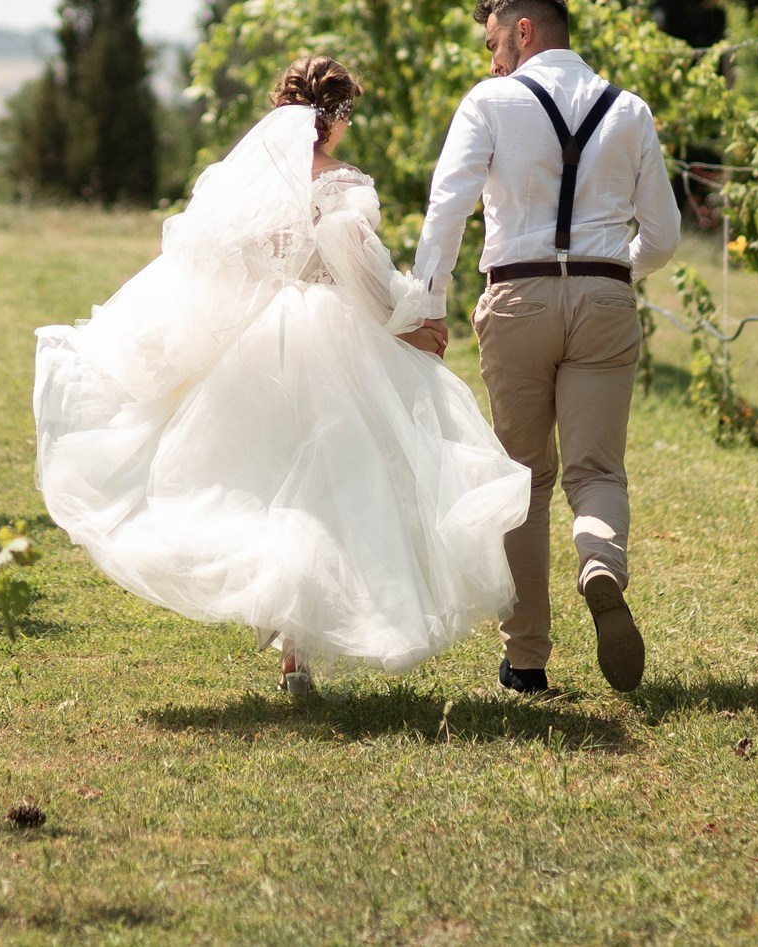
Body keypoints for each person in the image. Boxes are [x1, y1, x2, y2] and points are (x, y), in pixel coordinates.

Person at [33, 56, 530, 699]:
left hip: (257, 338)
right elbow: (361, 270)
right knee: (333, 483)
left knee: (265, 478)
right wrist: (407, 324)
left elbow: (222, 265)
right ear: (339, 115)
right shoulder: (341, 184)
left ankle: (289, 636)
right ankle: (301, 639)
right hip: (332, 335)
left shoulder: (252, 182)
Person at [409, 0, 680, 695]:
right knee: (597, 472)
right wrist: (613, 271)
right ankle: (600, 563)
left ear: (523, 31)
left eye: (494, 42)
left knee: (523, 480)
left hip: (518, 298)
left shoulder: (489, 102)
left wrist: (428, 305)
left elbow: (447, 208)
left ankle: (526, 660)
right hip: (604, 297)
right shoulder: (629, 109)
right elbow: (664, 235)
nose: (493, 59)